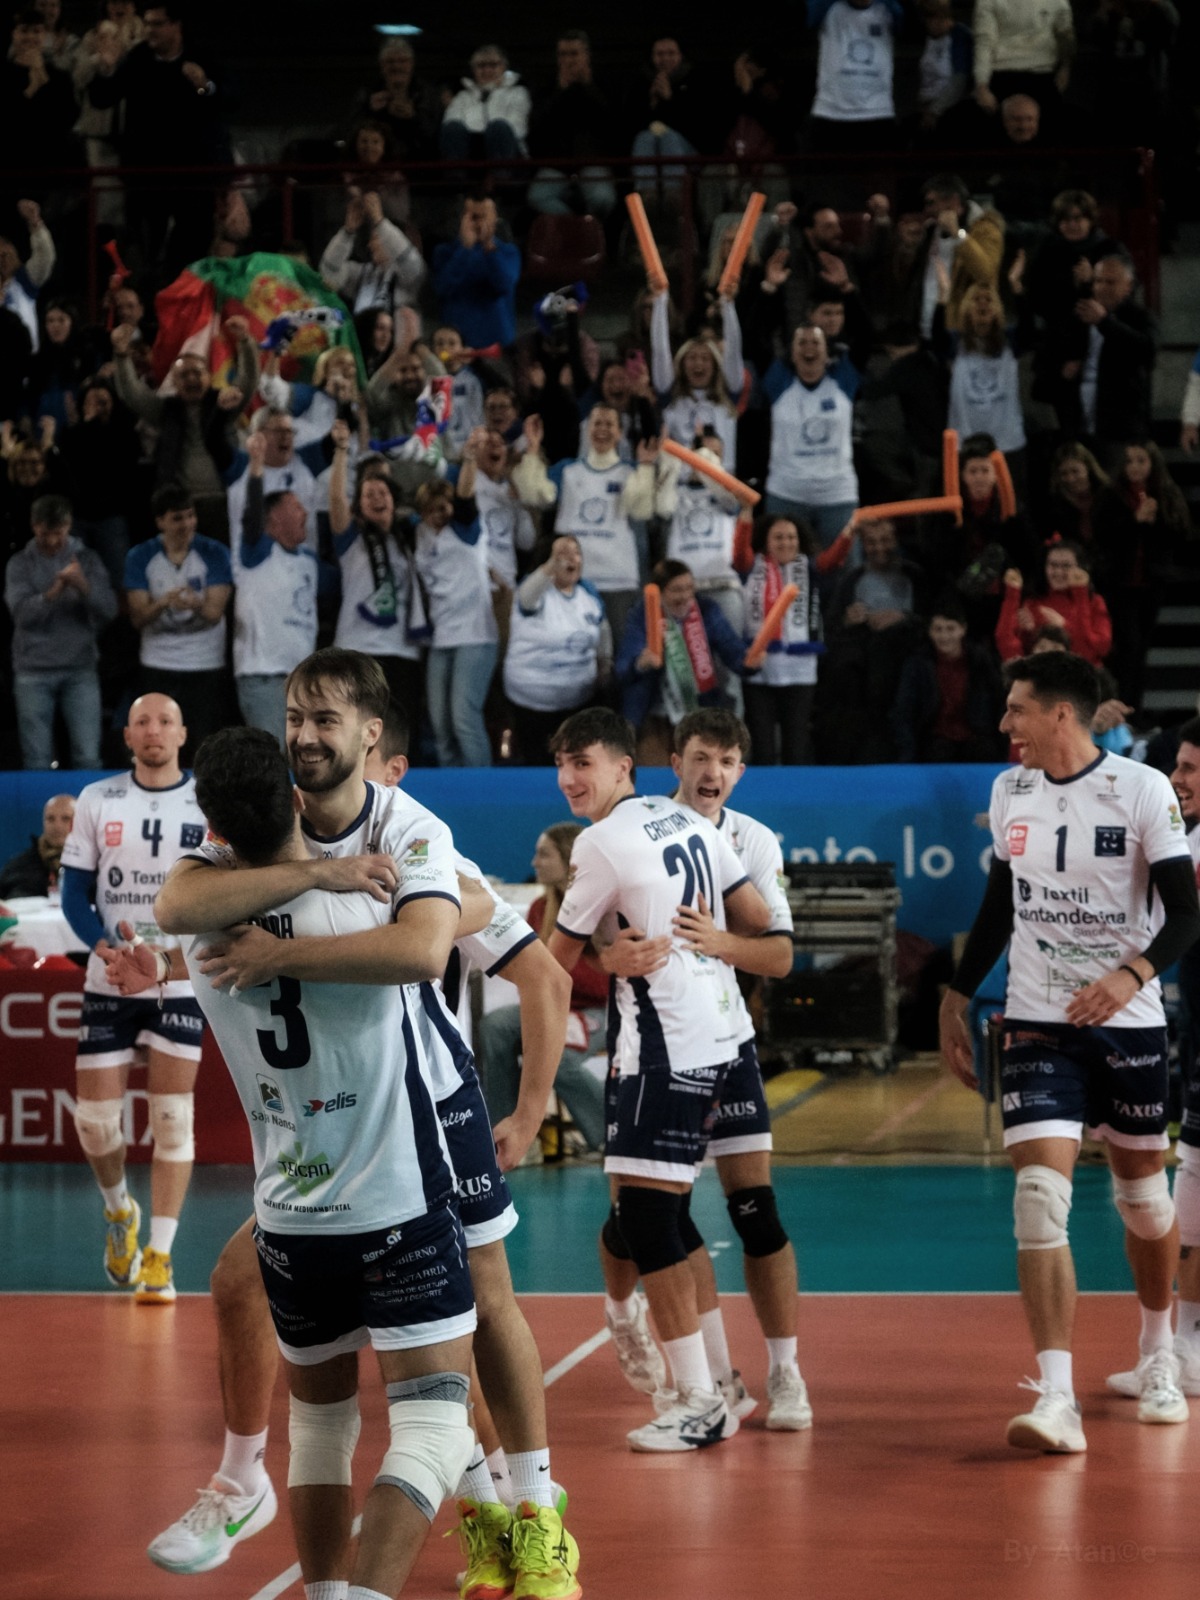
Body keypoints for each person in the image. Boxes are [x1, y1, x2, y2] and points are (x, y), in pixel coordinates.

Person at [150, 656, 581, 1598]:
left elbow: (484, 935)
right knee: (287, 1307)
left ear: (373, 739)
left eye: (325, 718)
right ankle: (472, 1511)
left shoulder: (406, 824)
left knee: (484, 1293)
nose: (306, 733)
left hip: (433, 1101)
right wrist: (324, 889)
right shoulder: (277, 836)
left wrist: (530, 1105)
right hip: (357, 1127)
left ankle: (536, 1513)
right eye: (295, 716)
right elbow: (179, 901)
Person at [153, 725, 479, 1600]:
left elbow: (176, 898)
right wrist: (335, 873)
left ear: (212, 828)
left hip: (290, 1217)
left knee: (321, 1428)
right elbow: (437, 939)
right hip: (396, 1198)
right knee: (436, 1427)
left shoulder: (206, 928)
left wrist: (301, 879)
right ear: (298, 798)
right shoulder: (368, 908)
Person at [939, 650, 1200, 1452]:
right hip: (1036, 1019)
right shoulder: (1009, 790)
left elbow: (1186, 915)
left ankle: (1158, 1354)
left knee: (1144, 1200)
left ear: (1060, 713)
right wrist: (956, 993)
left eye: (1017, 709)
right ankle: (1056, 1397)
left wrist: (1131, 975)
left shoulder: (1143, 789)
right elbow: (1000, 903)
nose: (1004, 724)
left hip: (1128, 1022)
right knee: (1037, 1200)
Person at [546, 706, 773, 1452]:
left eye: (583, 763)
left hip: (666, 1044)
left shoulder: (600, 843)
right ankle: (716, 1383)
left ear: (622, 767)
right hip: (721, 1034)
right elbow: (760, 923)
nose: (569, 778)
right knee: (663, 1216)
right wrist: (708, 944)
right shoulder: (687, 821)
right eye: (561, 765)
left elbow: (549, 962)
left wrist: (601, 959)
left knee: (646, 1219)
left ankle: (699, 1401)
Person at [596, 709, 811, 1432]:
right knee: (643, 1217)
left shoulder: (752, 840)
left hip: (726, 1045)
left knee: (755, 1213)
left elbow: (779, 955)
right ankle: (693, 1363)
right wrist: (607, 957)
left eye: (725, 760)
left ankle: (784, 1374)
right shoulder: (634, 829)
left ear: (740, 771)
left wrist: (721, 942)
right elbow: (589, 935)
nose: (711, 772)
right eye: (699, 757)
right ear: (675, 764)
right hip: (651, 1047)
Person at [59, 694, 207, 1305]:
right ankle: (120, 1210)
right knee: (96, 1125)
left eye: (165, 721)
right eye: (142, 722)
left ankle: (160, 1257)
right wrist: (101, 947)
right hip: (113, 976)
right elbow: (73, 892)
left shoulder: (207, 799)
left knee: (171, 1118)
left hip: (177, 978)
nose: (153, 731)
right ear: (127, 736)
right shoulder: (98, 799)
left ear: (182, 734)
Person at [1108, 718, 1200, 1400]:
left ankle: (1186, 1345)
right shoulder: (1185, 840)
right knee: (1190, 1181)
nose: (1178, 778)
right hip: (1196, 1035)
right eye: (1179, 765)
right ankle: (1182, 1344)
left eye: (1192, 768)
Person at [480, 822, 607, 1154]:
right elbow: (537, 973)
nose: (534, 862)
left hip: (599, 1011)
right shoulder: (539, 909)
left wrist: (554, 973)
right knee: (496, 1026)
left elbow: (604, 984)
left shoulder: (595, 903)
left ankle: (610, 1136)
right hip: (557, 1006)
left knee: (556, 1056)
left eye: (544, 854)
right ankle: (504, 1133)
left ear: (568, 858)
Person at [5, 493, 117, 770]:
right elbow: (21, 616)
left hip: (80, 669)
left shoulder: (87, 560)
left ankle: (88, 801)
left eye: (59, 533)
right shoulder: (19, 563)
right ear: (34, 526)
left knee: (87, 757)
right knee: (37, 761)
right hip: (33, 671)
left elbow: (109, 609)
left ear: (68, 525)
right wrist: (53, 592)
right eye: (46, 534)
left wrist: (83, 585)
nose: (53, 541)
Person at [124, 485, 233, 759]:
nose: (187, 524)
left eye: (190, 516)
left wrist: (195, 604)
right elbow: (138, 618)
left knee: (204, 745)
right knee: (160, 744)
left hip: (204, 663)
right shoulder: (140, 556)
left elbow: (214, 613)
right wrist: (163, 603)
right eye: (177, 518)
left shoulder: (215, 553)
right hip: (158, 663)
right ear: (160, 521)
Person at [615, 559, 752, 768]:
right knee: (653, 778)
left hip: (699, 712)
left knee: (702, 772)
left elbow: (732, 651)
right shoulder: (642, 614)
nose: (685, 596)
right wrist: (641, 662)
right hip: (654, 714)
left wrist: (750, 661)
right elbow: (622, 669)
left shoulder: (706, 610)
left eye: (689, 588)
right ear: (659, 592)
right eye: (677, 590)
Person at [411, 476, 498, 769]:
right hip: (441, 636)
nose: (439, 514)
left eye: (443, 507)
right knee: (440, 723)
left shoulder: (465, 528)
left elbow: (465, 499)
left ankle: (481, 787)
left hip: (475, 635)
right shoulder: (420, 533)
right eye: (431, 510)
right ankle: (451, 783)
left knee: (464, 718)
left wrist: (469, 461)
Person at [503, 534, 611, 765]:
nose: (572, 559)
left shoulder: (589, 594)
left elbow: (603, 634)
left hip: (578, 702)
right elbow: (526, 597)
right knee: (538, 765)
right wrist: (552, 564)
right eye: (563, 554)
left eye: (577, 553)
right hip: (531, 703)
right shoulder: (533, 590)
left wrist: (605, 666)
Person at [735, 511, 825, 766]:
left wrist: (850, 530)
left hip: (800, 670)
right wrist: (746, 515)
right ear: (766, 541)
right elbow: (739, 551)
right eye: (778, 537)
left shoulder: (811, 567)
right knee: (763, 749)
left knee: (796, 748)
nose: (786, 543)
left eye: (791, 537)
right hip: (760, 669)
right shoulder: (750, 567)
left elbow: (835, 559)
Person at [891, 604, 1005, 763]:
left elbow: (999, 700)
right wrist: (907, 753)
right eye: (938, 629)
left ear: (962, 629)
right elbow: (904, 709)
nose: (944, 636)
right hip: (934, 740)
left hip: (977, 737)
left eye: (950, 629)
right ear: (930, 632)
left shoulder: (982, 660)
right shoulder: (917, 664)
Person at [995, 542, 1112, 667]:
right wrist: (1028, 632)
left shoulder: (1094, 602)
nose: (1058, 572)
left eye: (1066, 566)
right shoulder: (1033, 602)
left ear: (1081, 568)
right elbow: (1013, 649)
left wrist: (1064, 626)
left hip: (1082, 673)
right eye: (1053, 565)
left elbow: (1101, 649)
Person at [433, 199, 522, 356]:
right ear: (462, 220)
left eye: (484, 217)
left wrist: (489, 249)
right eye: (474, 217)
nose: (479, 223)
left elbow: (503, 285)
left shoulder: (508, 252)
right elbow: (442, 287)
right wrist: (465, 250)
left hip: (497, 345)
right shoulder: (444, 252)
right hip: (455, 346)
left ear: (495, 219)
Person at [0, 792, 75, 898]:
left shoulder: (94, 866)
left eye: (66, 818)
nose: (57, 826)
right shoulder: (19, 867)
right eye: (50, 819)